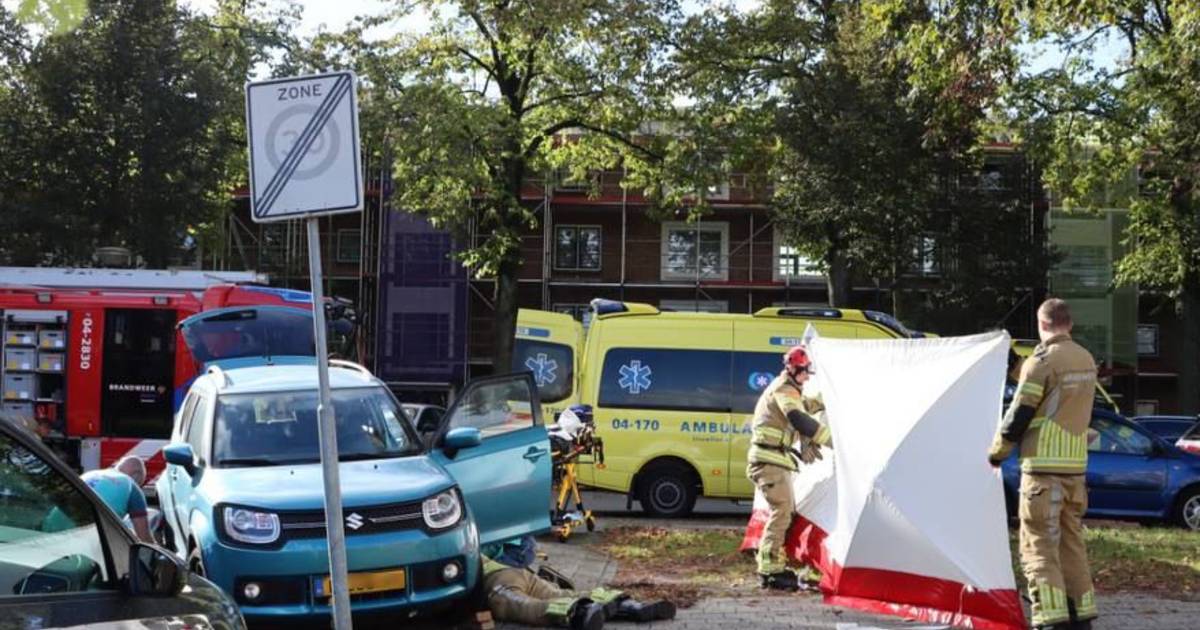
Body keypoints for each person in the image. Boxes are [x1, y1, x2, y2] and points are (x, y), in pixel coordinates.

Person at [988, 298, 1098, 630]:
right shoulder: (1085, 359)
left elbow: (1020, 413)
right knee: (1071, 546)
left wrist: (997, 453)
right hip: (1075, 473)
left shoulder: (1042, 362)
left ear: (1042, 324)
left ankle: (1050, 620)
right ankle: (1081, 617)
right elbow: (1052, 390)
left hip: (1042, 474)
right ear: (1069, 324)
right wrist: (1015, 365)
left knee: (1039, 548)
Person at [746, 345, 831, 591]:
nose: (807, 377)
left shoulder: (790, 389)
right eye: (805, 372)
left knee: (784, 511)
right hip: (768, 460)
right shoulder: (784, 389)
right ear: (795, 369)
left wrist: (827, 400)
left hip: (773, 459)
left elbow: (806, 406)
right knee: (782, 511)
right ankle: (770, 570)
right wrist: (832, 441)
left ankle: (773, 564)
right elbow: (799, 418)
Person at [481, 537, 675, 629]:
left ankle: (577, 612)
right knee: (560, 594)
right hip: (519, 572)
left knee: (525, 606)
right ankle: (626, 604)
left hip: (494, 580)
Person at [82, 456, 153, 543]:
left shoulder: (92, 473)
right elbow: (144, 537)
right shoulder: (131, 486)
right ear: (136, 476)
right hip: (89, 533)